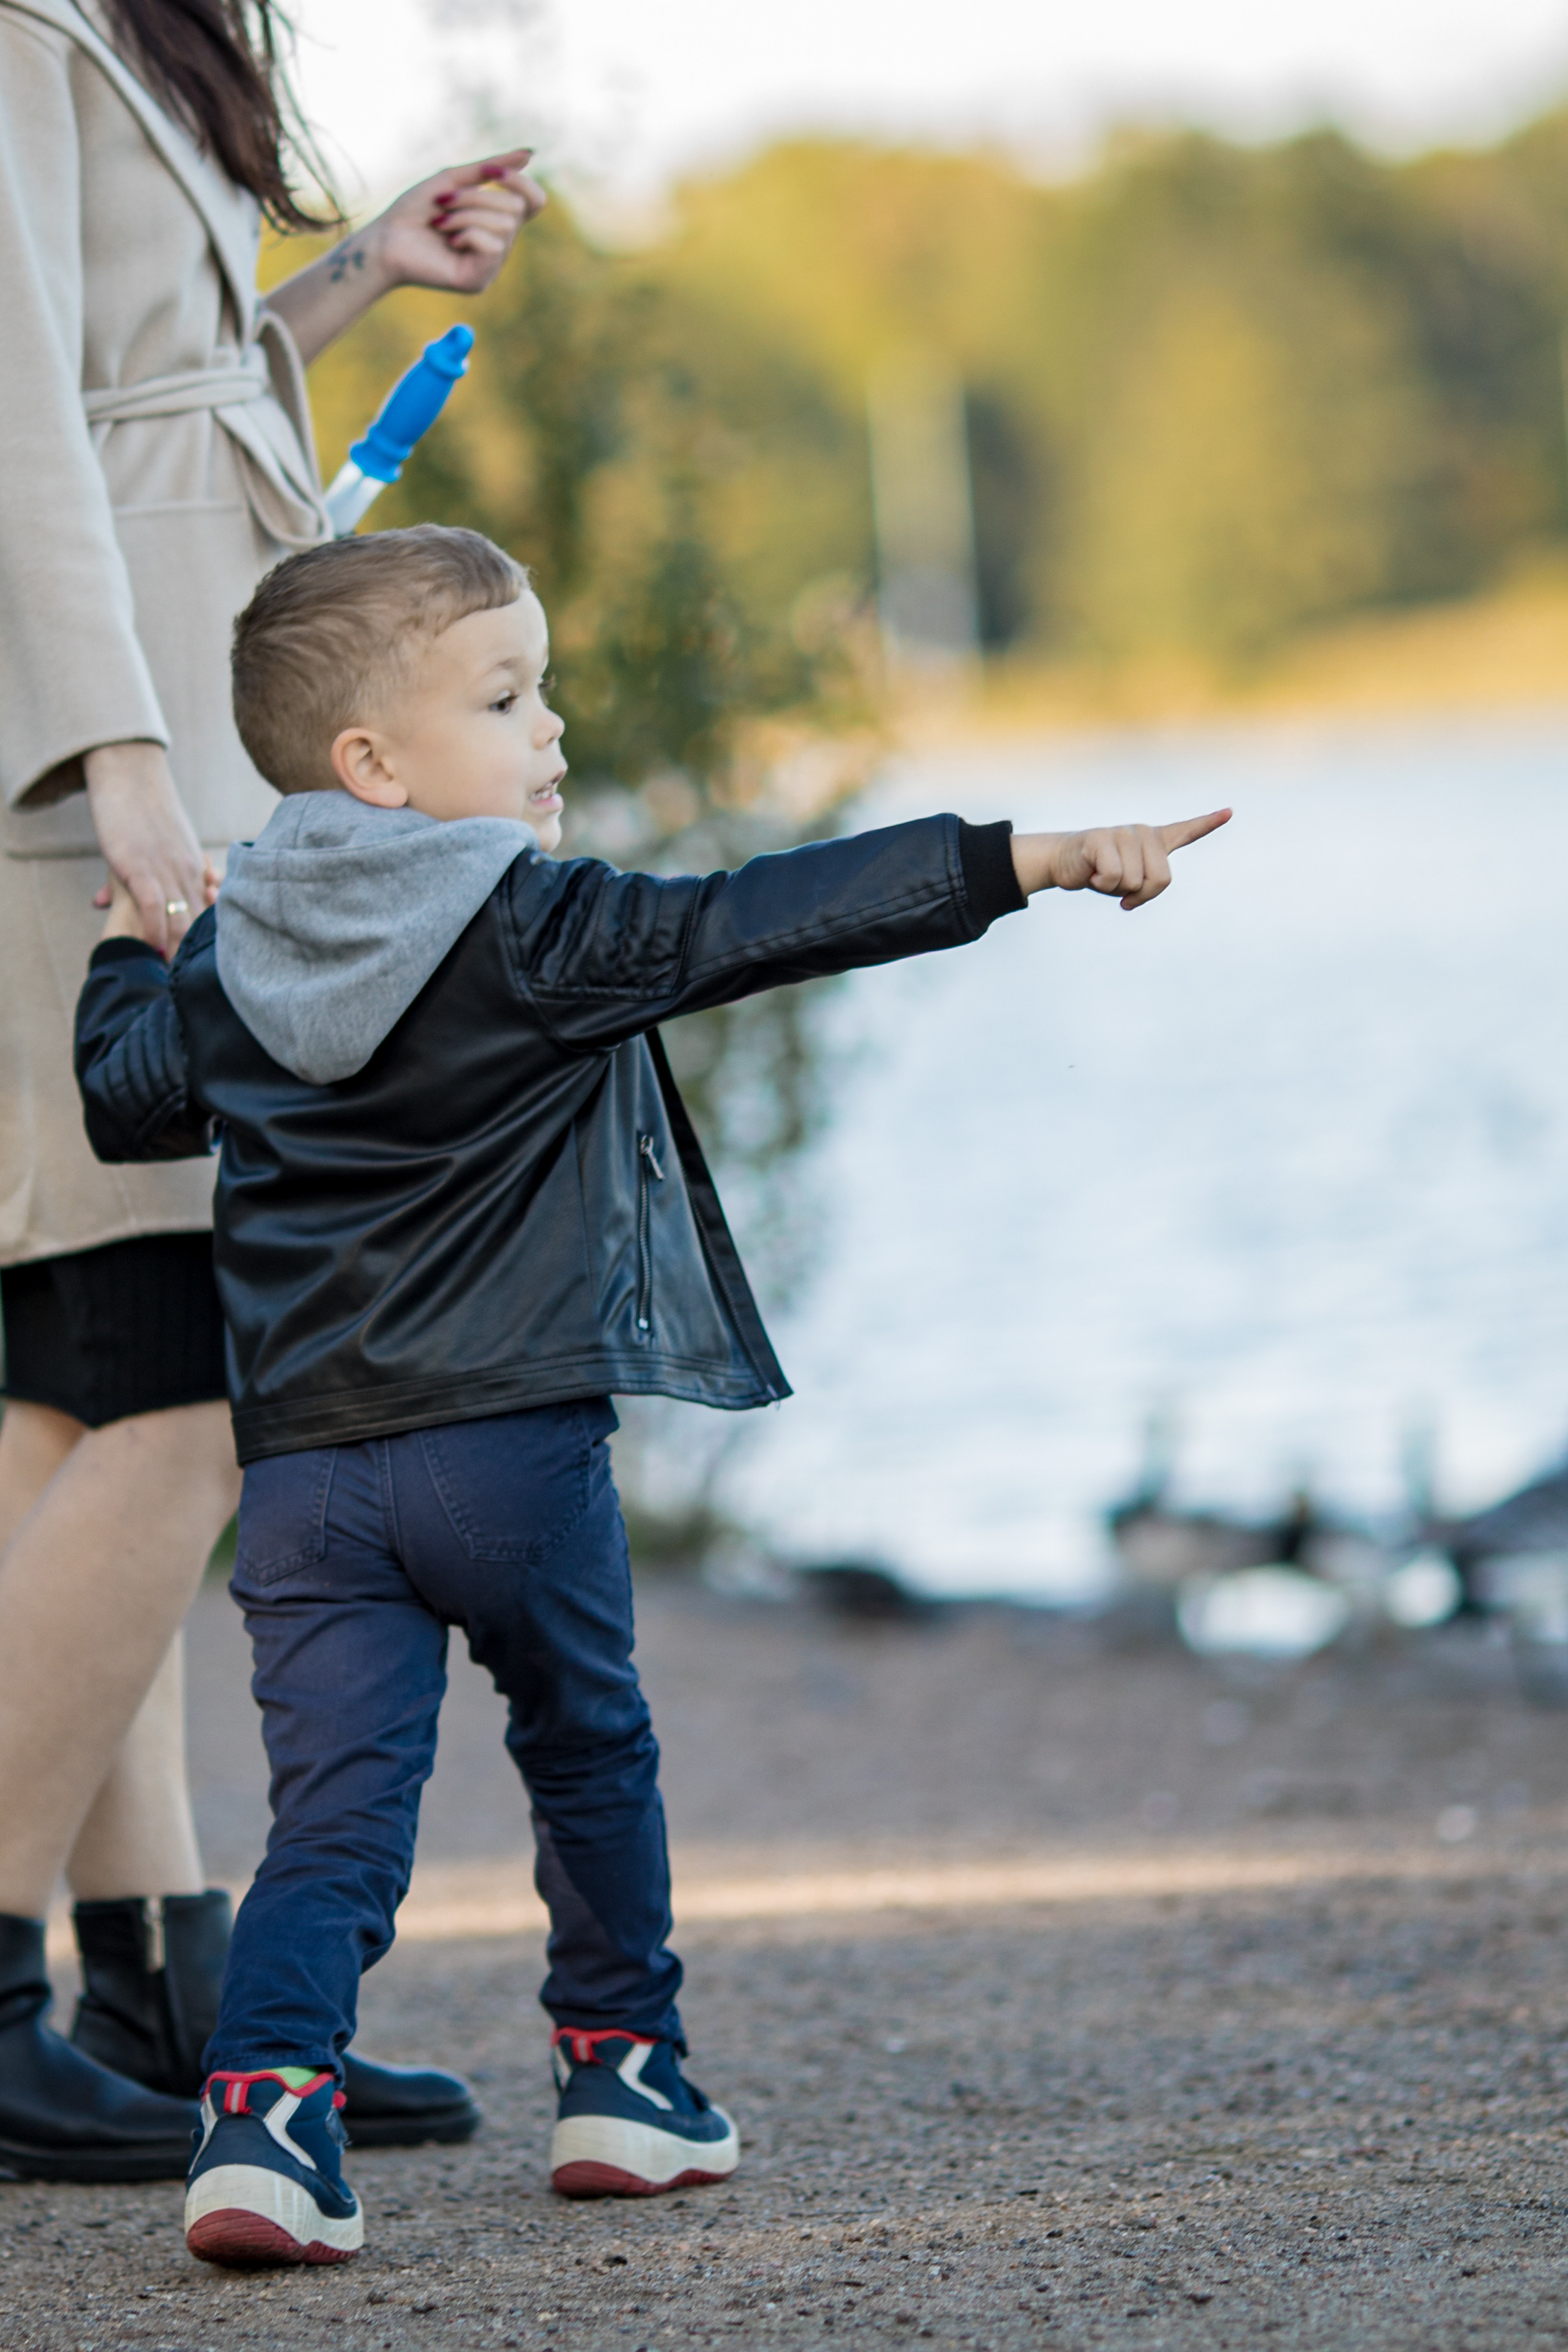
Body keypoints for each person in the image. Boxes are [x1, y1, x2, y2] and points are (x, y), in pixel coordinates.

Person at [73, 521, 1230, 2263]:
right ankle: (621, 2071)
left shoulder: (233, 954)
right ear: (371, 764)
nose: (552, 725)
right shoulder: (540, 927)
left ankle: (262, 2118)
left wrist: (124, 944)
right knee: (586, 1745)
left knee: (336, 1817)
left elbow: (126, 1096)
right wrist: (1030, 855)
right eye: (504, 697)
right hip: (510, 1455)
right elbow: (763, 917)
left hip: (308, 1480)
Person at [0, 0, 546, 2178]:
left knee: (80, 1375)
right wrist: (120, 753)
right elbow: (17, 401)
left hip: (140, 747)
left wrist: (352, 276)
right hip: (81, 774)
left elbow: (146, 377)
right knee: (161, 1368)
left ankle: (161, 1975)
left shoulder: (136, 24)